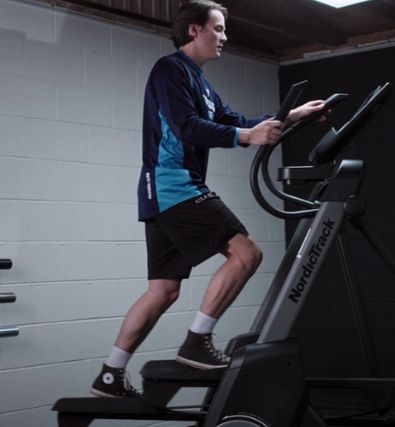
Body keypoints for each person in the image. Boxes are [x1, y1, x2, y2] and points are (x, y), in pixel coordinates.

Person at [91, 0, 326, 398]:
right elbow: (187, 127)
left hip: (161, 194)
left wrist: (293, 116)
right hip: (175, 185)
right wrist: (246, 138)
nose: (224, 37)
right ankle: (197, 341)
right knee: (247, 254)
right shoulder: (170, 70)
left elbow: (238, 123)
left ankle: (111, 373)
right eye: (217, 29)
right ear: (194, 30)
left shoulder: (201, 83)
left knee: (163, 290)